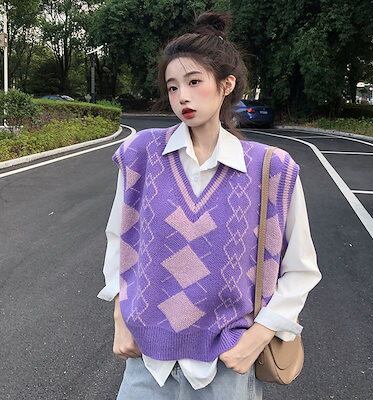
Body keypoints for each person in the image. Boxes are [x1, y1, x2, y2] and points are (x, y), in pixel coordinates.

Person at [97, 10, 322, 400]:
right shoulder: (141, 154)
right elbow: (120, 238)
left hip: (225, 367)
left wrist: (257, 338)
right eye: (172, 87)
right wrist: (120, 317)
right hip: (147, 363)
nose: (181, 96)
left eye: (193, 81)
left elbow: (301, 268)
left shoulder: (270, 168)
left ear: (226, 84)